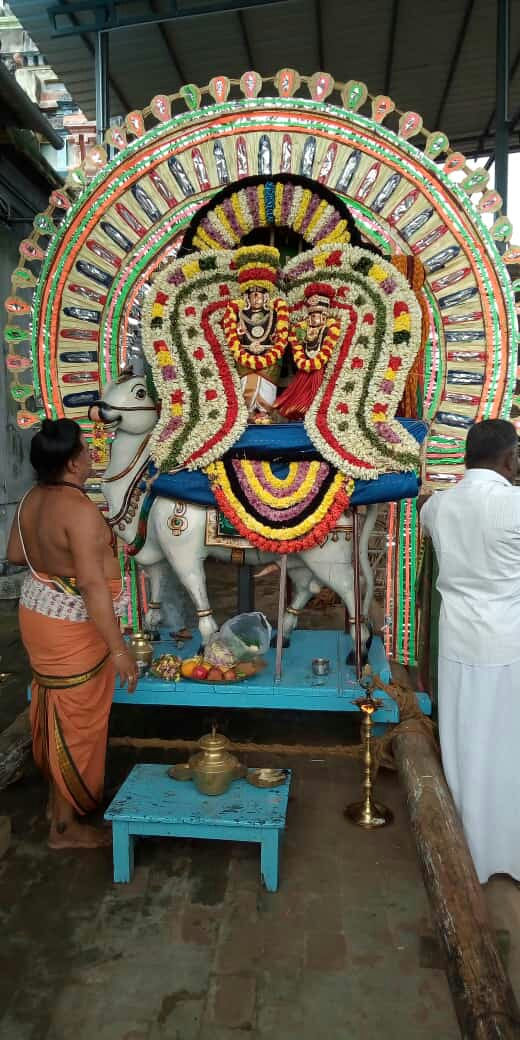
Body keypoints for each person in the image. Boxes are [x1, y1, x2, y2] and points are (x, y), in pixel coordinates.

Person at [7, 418, 138, 850]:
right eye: (85, 449)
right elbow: (93, 587)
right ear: (72, 461)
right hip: (71, 631)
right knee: (77, 719)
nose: (91, 455)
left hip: (40, 616)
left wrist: (53, 565)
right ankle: (63, 829)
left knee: (56, 707)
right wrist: (119, 650)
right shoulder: (78, 509)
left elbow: (14, 554)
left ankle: (56, 806)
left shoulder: (30, 499)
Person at [420, 418, 520, 883]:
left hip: (458, 640)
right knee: (506, 746)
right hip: (506, 642)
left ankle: (466, 856)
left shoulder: (438, 507)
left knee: (463, 743)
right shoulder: (514, 506)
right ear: (510, 458)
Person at [275, 282, 339, 420]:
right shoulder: (301, 329)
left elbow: (328, 349)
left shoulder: (330, 328)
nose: (312, 318)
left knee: (319, 393)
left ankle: (317, 414)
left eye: (316, 315)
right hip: (304, 368)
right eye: (311, 315)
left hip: (322, 368)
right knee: (299, 393)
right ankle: (303, 413)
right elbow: (296, 345)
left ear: (324, 316)